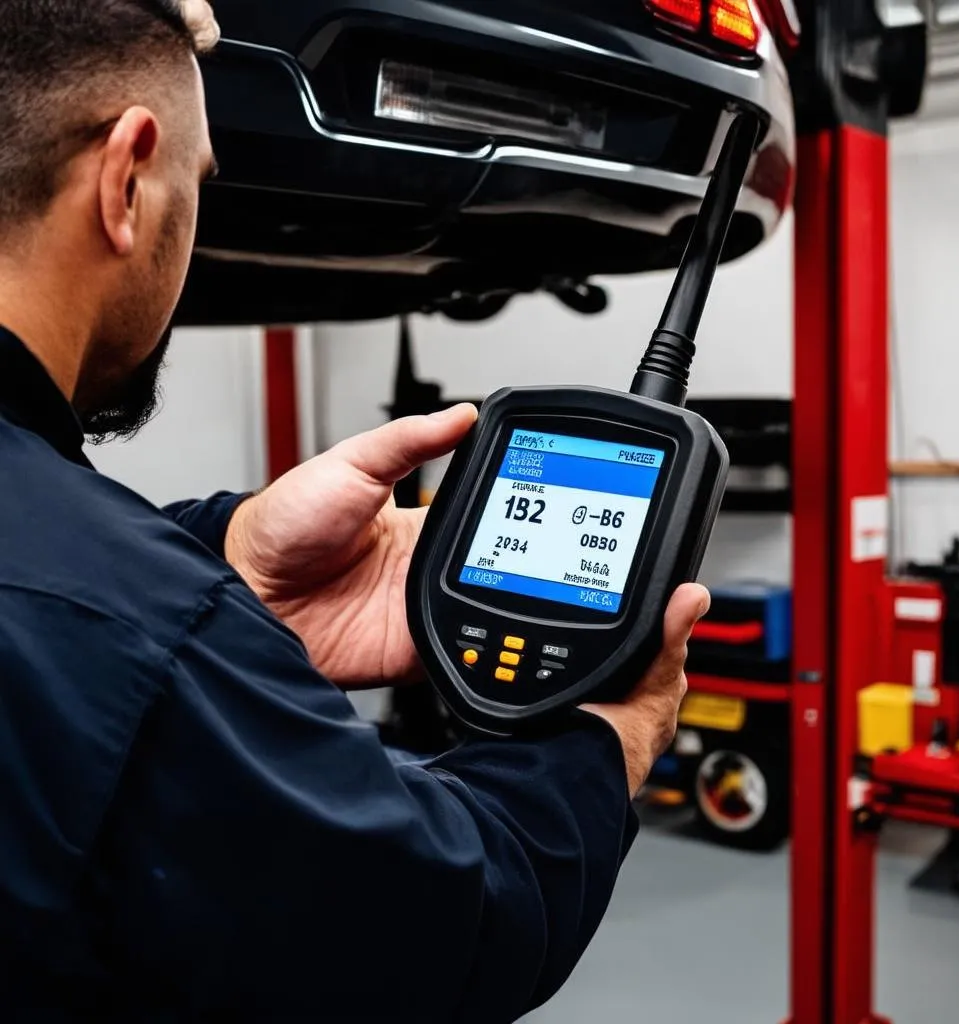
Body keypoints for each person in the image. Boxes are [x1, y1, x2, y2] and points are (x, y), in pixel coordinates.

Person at [0, 1, 710, 1019]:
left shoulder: (103, 594)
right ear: (126, 178)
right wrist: (609, 731)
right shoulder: (132, 628)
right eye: (197, 189)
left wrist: (228, 556)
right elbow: (455, 920)